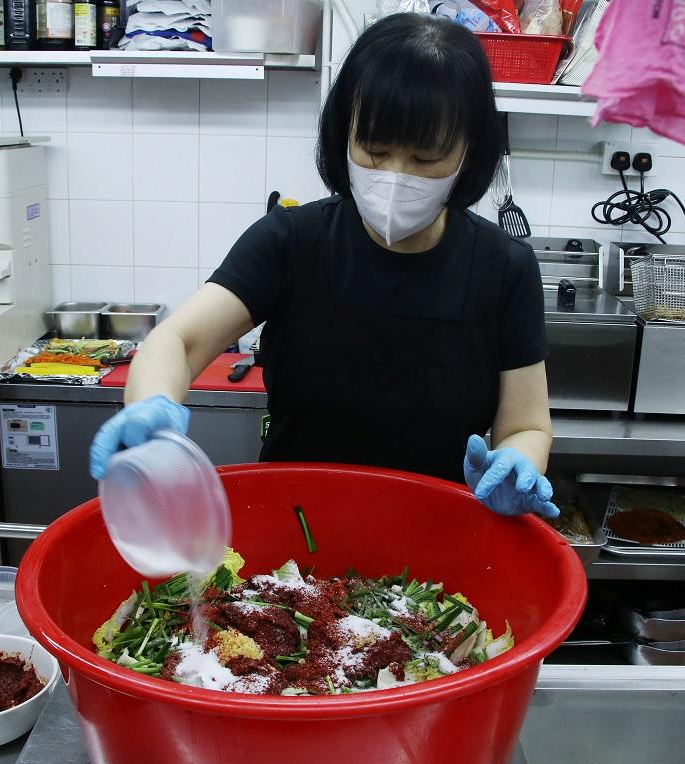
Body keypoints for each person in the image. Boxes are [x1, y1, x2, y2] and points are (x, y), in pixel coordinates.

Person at [90, 12, 558, 518]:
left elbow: (526, 425)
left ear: (471, 150)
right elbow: (176, 342)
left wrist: (515, 462)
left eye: (425, 159)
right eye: (374, 150)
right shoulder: (291, 240)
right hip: (295, 537)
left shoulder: (503, 267)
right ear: (343, 134)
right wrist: (150, 406)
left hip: (438, 542)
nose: (396, 177)